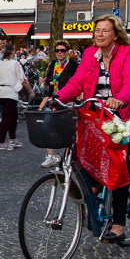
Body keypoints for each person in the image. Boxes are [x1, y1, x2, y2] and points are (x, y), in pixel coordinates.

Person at [42, 15, 130, 243]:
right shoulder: (90, 55)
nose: (99, 34)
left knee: (117, 162)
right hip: (99, 115)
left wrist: (121, 99)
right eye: (97, 30)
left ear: (116, 35)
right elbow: (77, 82)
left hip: (127, 115)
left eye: (105, 30)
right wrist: (57, 98)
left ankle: (119, 223)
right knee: (81, 154)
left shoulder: (129, 51)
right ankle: (94, 188)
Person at [40, 40, 79, 168]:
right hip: (53, 100)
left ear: (67, 51)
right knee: (47, 126)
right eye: (57, 50)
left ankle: (67, 158)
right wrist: (45, 93)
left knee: (68, 130)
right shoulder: (53, 64)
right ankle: (50, 156)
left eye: (62, 50)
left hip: (69, 100)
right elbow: (49, 83)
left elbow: (78, 82)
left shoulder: (73, 65)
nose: (60, 53)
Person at [0, 43, 32, 151]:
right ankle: (1, 142)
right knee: (7, 118)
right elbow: (23, 79)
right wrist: (30, 91)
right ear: (13, 52)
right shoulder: (15, 64)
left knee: (13, 116)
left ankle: (13, 139)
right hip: (10, 92)